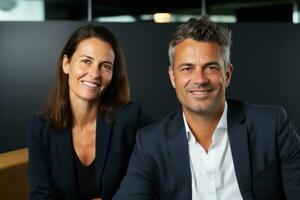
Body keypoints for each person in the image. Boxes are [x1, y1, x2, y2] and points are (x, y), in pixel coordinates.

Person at [113, 17, 300, 200]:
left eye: (210, 67)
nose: (200, 79)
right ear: (172, 77)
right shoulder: (151, 144)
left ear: (227, 74)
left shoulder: (272, 126)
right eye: (187, 68)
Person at [27, 25, 153, 200]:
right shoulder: (40, 128)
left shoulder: (130, 118)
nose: (95, 73)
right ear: (66, 64)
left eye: (105, 66)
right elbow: (40, 196)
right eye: (86, 61)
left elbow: (153, 179)